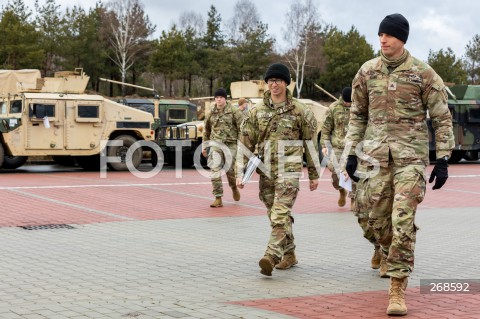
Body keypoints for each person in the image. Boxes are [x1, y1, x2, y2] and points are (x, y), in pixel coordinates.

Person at [344, 13, 454, 316]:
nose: (383, 40)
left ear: (402, 39)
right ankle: (384, 249)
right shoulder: (367, 72)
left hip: (410, 160)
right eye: (380, 34)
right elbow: (358, 116)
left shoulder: (423, 73)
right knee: (373, 220)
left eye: (389, 35)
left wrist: (442, 158)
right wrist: (351, 152)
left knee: (402, 219)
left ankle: (397, 288)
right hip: (376, 158)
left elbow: (442, 118)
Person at [236, 63, 320, 276]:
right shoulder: (257, 112)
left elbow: (310, 143)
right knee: (274, 214)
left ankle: (271, 255)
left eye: (278, 81)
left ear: (286, 83)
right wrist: (240, 172)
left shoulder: (300, 111)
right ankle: (290, 253)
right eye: (271, 81)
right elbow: (244, 142)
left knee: (280, 212)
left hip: (289, 169)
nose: (274, 84)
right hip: (266, 170)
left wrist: (313, 173)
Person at [202, 88, 244, 208]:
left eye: (221, 97)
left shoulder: (234, 111)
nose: (219, 99)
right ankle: (218, 197)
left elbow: (242, 128)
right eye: (217, 98)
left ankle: (234, 188)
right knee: (215, 169)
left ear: (225, 99)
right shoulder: (211, 112)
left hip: (231, 144)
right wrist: (204, 147)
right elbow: (207, 130)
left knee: (230, 171)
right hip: (216, 145)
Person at [320, 87, 353, 208]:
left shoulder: (359, 107)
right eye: (346, 102)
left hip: (353, 147)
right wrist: (324, 146)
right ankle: (341, 190)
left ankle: (353, 198)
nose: (348, 104)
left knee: (354, 172)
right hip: (337, 147)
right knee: (335, 173)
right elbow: (325, 129)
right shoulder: (333, 108)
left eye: (350, 102)